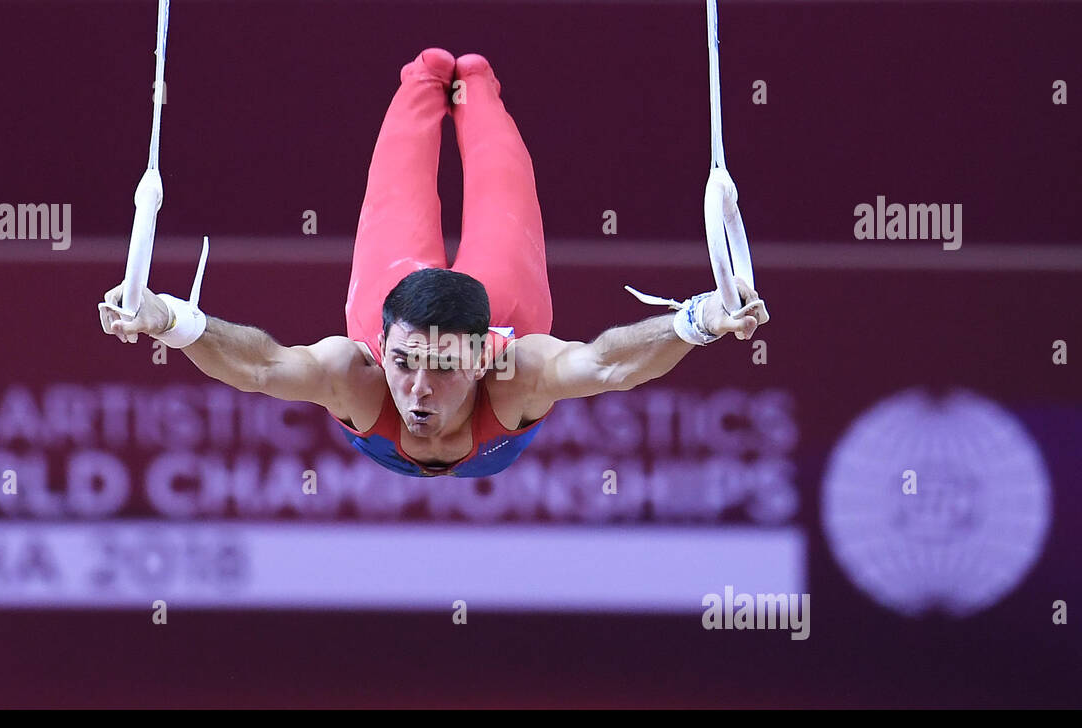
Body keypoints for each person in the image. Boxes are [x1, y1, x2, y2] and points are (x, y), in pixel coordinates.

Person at [100, 48, 767, 478]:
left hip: (497, 309)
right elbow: (264, 364)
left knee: (494, 185)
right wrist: (168, 319)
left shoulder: (516, 369)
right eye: (406, 362)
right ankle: (431, 78)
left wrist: (699, 319)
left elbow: (607, 361)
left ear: (483, 360)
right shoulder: (359, 370)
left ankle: (472, 83)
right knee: (413, 189)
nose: (418, 390)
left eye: (444, 367)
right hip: (402, 306)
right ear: (383, 350)